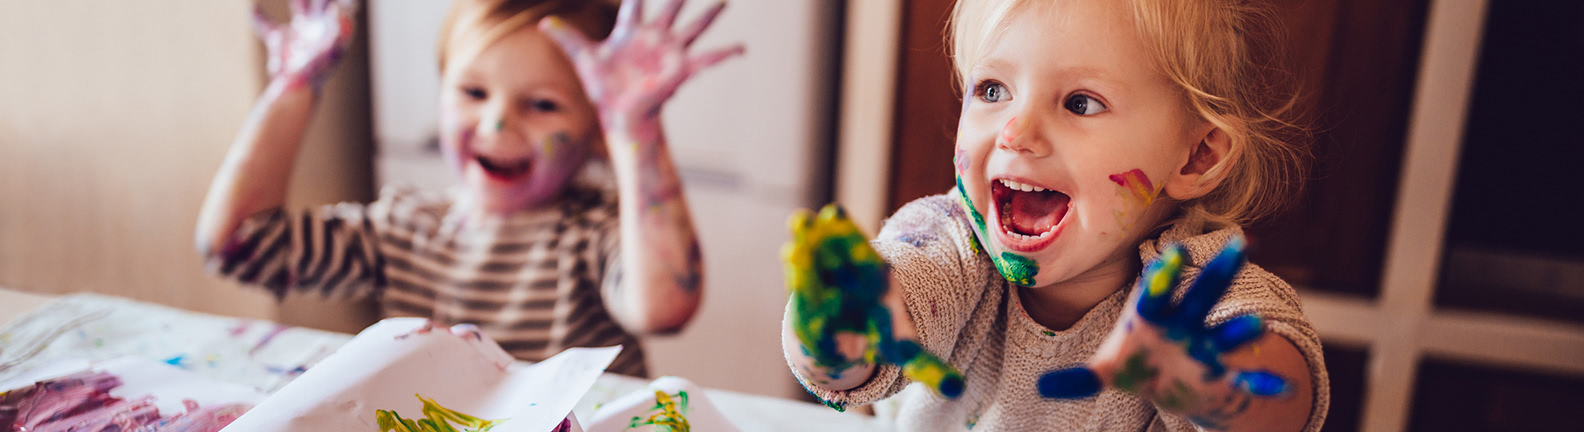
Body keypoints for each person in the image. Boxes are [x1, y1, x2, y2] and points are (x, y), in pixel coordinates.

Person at [782, 0, 1327, 430]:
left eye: (1080, 103)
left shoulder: (1193, 291)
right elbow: (862, 343)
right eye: (993, 89)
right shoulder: (948, 242)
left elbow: (1284, 402)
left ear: (1197, 155)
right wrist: (833, 332)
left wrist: (1214, 386)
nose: (1017, 133)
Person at [196, 0, 741, 377]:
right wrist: (294, 86)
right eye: (473, 91)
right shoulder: (403, 229)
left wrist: (636, 129)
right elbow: (238, 245)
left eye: (543, 104)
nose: (498, 125)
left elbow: (666, 307)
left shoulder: (592, 236)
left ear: (596, 129)